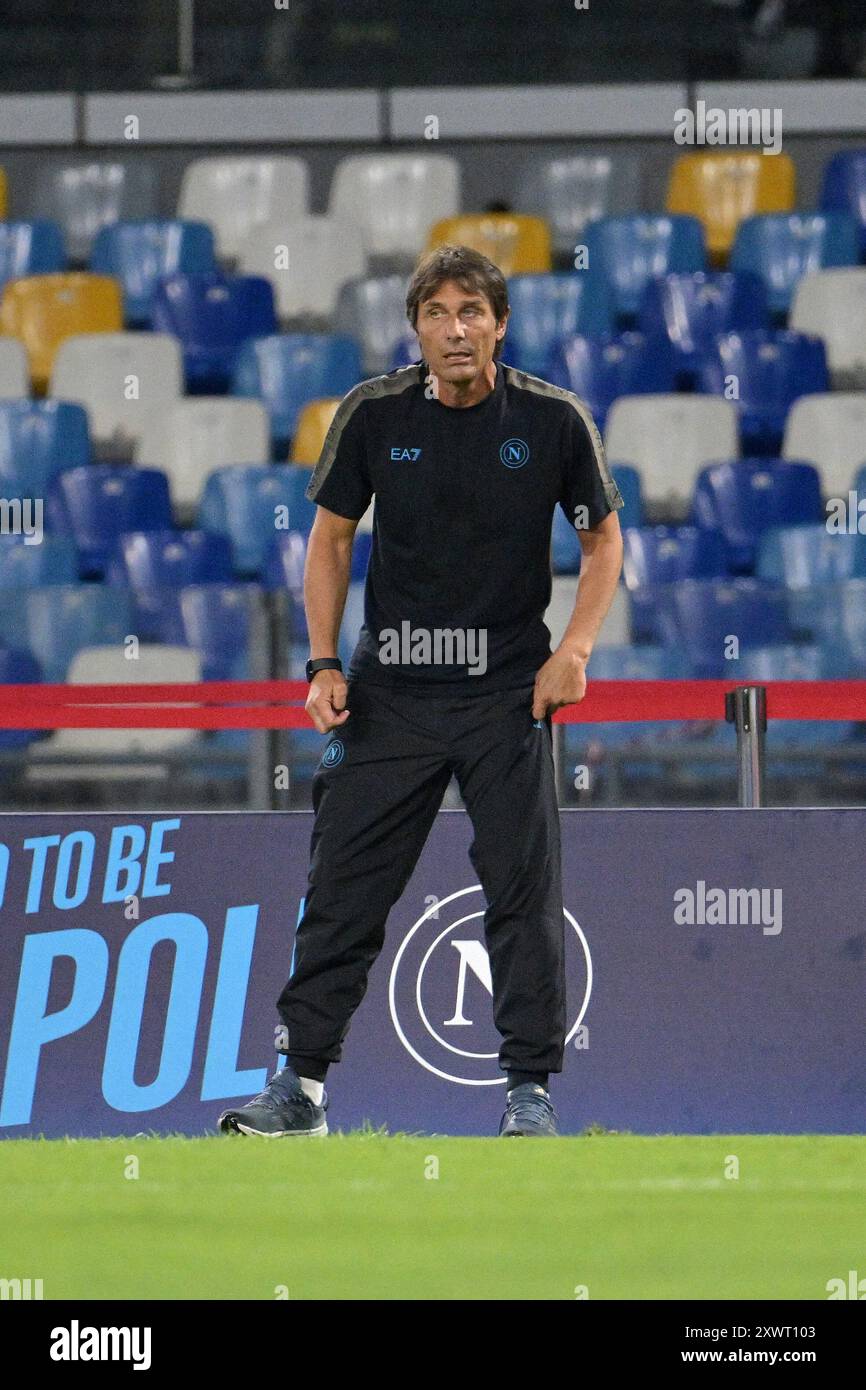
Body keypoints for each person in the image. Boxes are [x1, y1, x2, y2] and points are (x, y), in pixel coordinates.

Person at [219, 244, 623, 1140]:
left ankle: (529, 1094)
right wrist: (322, 663)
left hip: (507, 695)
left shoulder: (555, 420)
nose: (455, 330)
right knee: (343, 890)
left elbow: (604, 543)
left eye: (472, 312)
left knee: (521, 888)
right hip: (389, 691)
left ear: (501, 325)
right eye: (437, 313)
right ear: (415, 329)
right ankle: (302, 1092)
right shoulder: (371, 413)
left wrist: (578, 649)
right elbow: (327, 541)